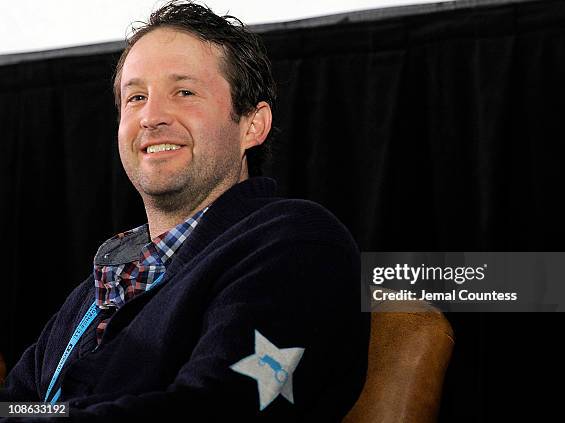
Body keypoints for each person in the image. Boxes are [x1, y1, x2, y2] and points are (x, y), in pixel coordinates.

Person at [0, 1, 369, 421]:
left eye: (185, 92)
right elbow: (18, 402)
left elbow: (217, 410)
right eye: (136, 97)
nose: (152, 117)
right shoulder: (107, 277)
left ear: (252, 125)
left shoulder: (296, 244)